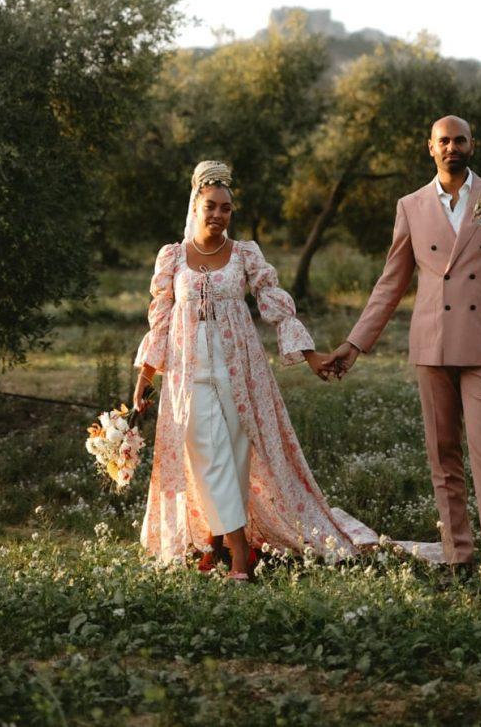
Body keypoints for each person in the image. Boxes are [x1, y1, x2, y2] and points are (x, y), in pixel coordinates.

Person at [325, 116, 481, 593]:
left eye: (460, 140)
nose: (452, 147)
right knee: (442, 454)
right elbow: (391, 282)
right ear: (429, 147)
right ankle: (458, 554)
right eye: (444, 141)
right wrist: (354, 344)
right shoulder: (410, 206)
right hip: (431, 347)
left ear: (473, 145)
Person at [133, 160, 354, 578]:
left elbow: (275, 304)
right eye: (210, 206)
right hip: (187, 375)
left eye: (226, 208)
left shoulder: (245, 254)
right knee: (205, 454)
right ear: (195, 207)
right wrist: (145, 377)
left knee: (233, 458)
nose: (218, 215)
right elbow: (159, 320)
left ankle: (215, 545)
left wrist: (310, 357)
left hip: (241, 372)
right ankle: (239, 554)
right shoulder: (173, 258)